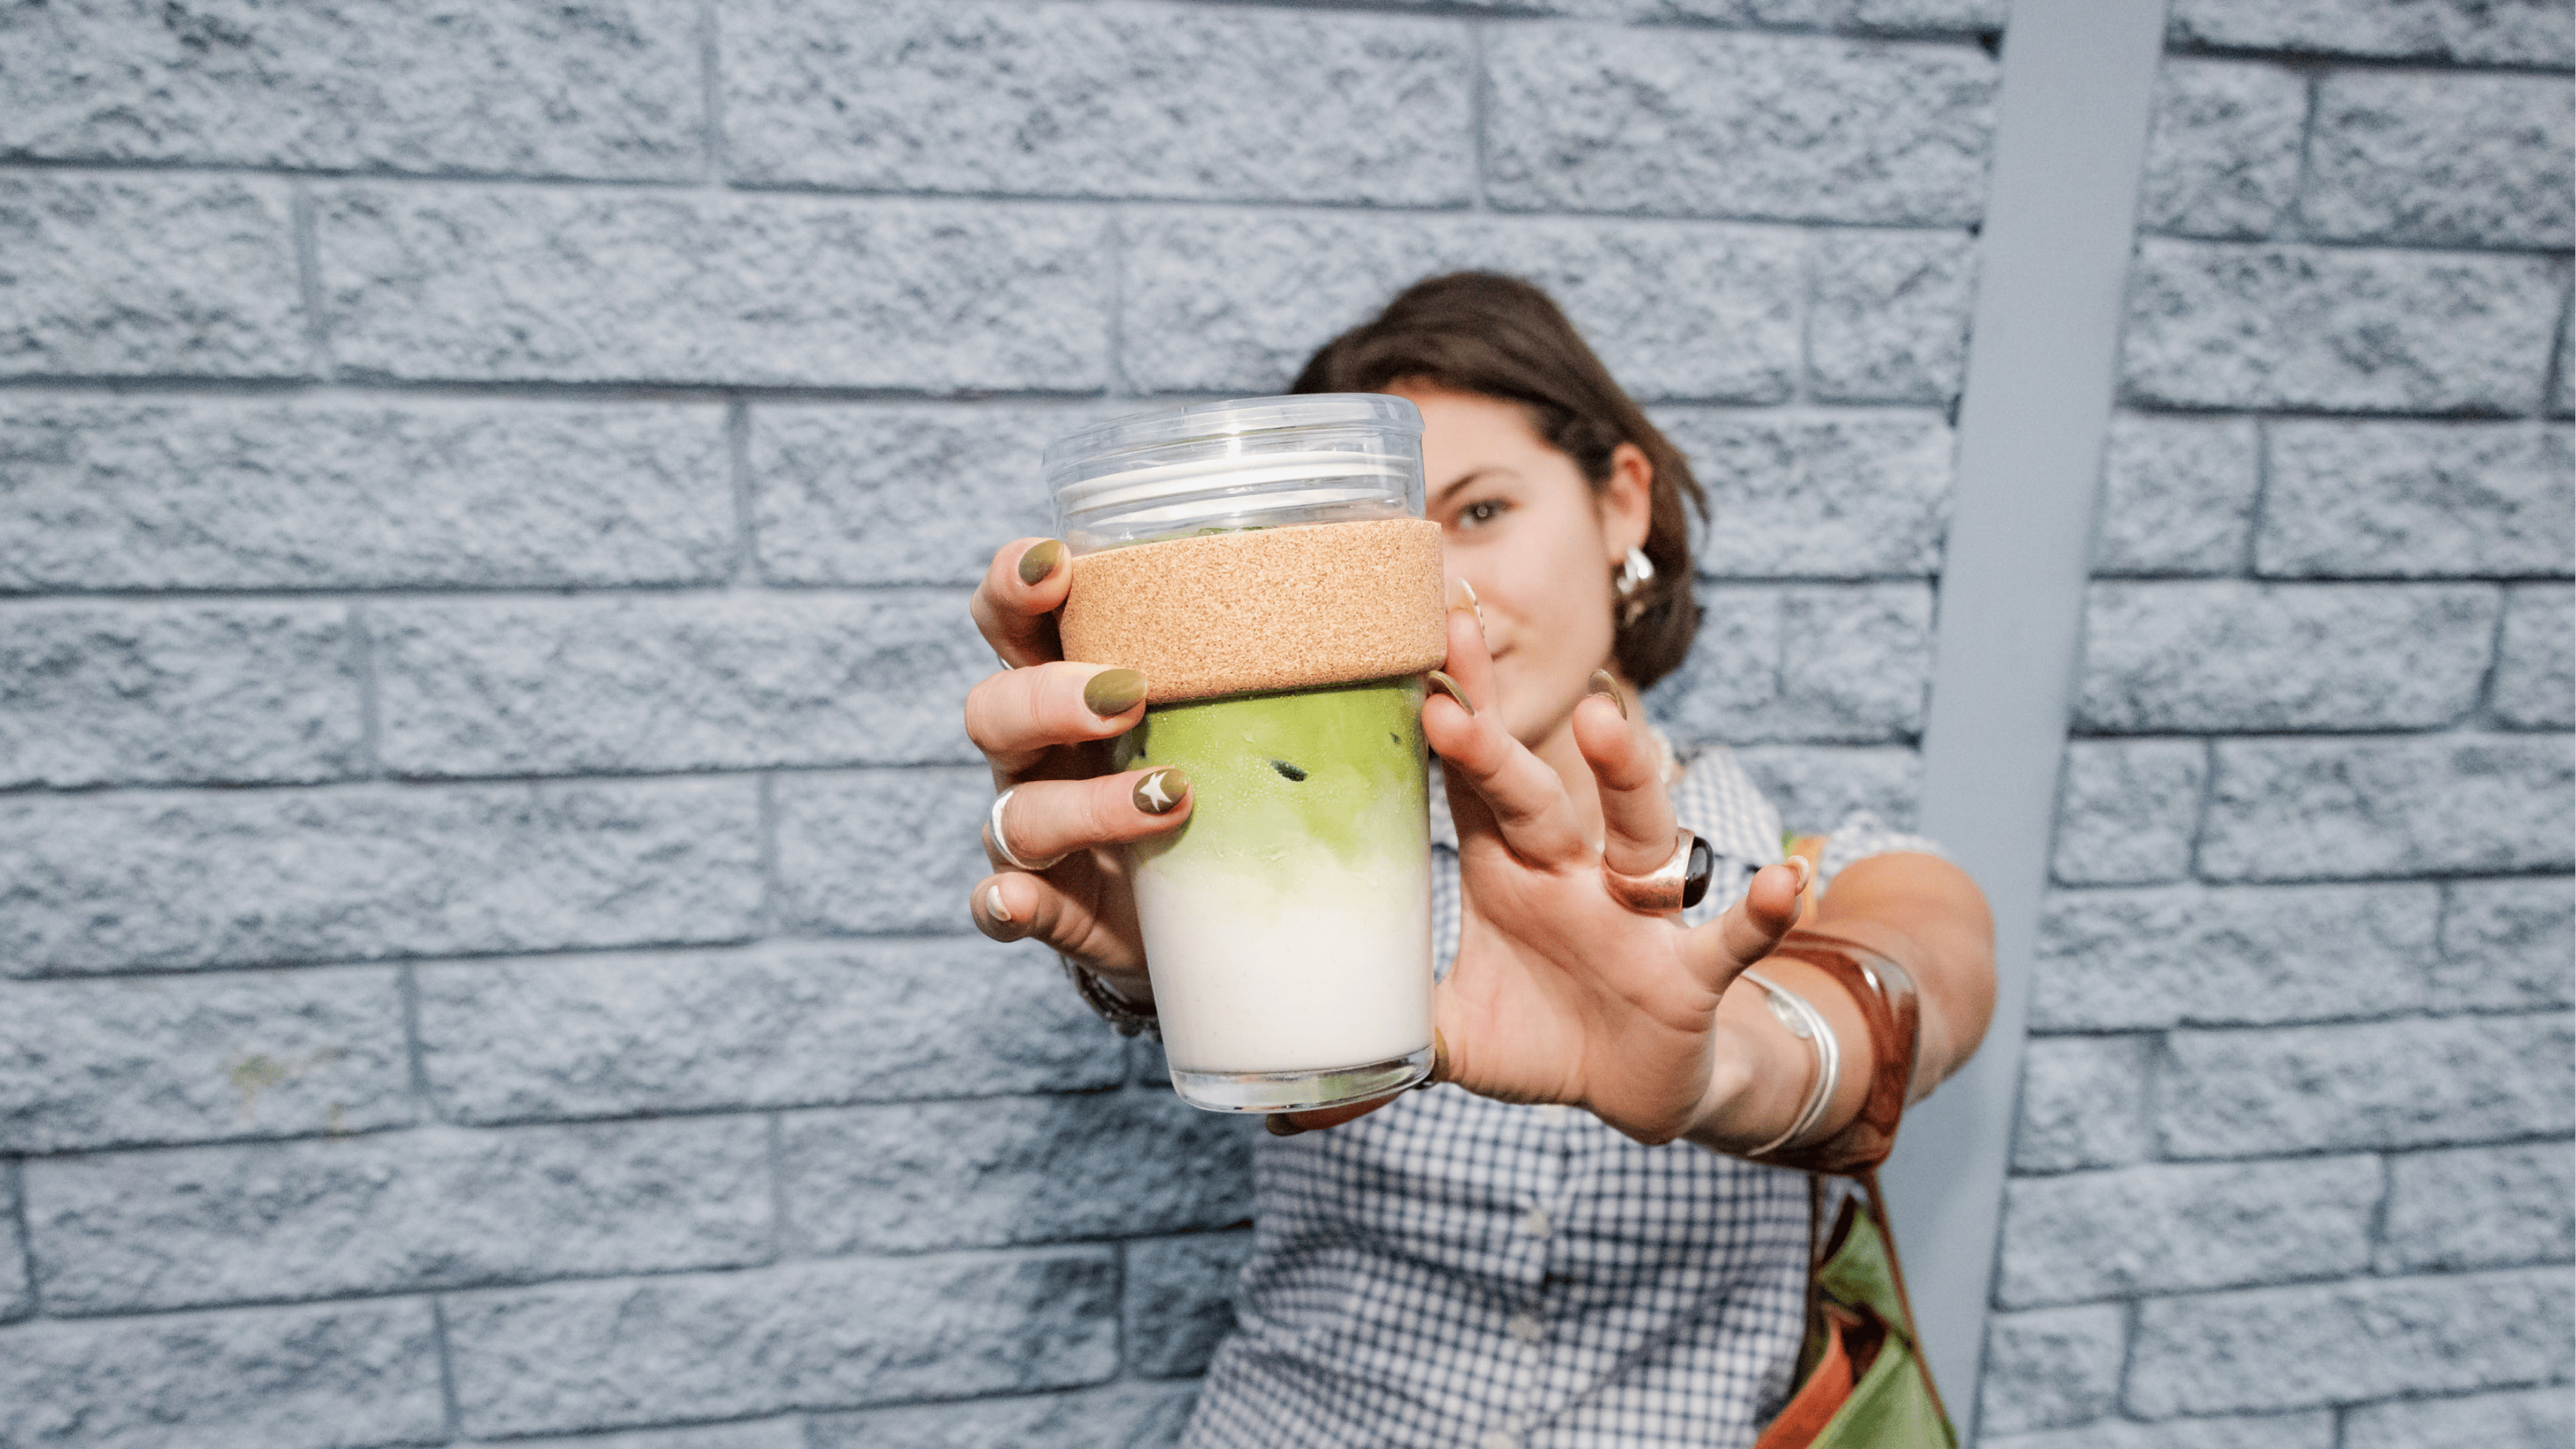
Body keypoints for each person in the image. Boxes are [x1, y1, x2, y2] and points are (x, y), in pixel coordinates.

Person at [964, 273, 1996, 1448]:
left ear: (1621, 502)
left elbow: (1915, 987)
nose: (1437, 584)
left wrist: (1726, 1064)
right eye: (1373, 544)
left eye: (1484, 511)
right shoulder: (1308, 878)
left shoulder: (1825, 873)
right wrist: (1153, 953)